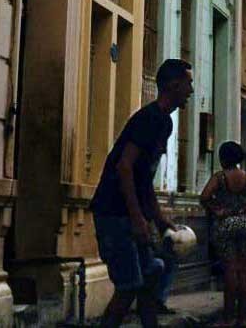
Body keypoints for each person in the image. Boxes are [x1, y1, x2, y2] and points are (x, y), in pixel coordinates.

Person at [90, 59, 194, 328]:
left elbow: (144, 177)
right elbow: (125, 166)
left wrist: (158, 219)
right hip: (113, 212)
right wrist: (138, 219)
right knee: (128, 286)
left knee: (150, 275)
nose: (191, 90)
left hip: (130, 211)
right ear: (173, 85)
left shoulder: (165, 124)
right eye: (188, 83)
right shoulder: (148, 119)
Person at [200, 141, 246, 328]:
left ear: (223, 158)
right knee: (245, 272)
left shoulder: (220, 178)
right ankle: (242, 319)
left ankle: (227, 318)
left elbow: (204, 197)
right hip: (244, 223)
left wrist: (218, 210)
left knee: (230, 271)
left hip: (226, 224)